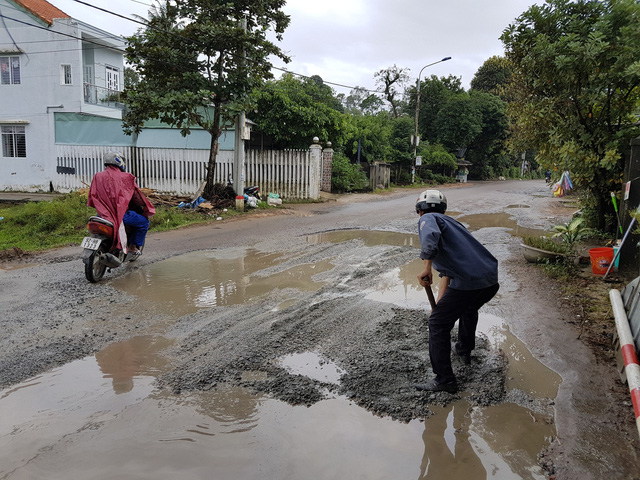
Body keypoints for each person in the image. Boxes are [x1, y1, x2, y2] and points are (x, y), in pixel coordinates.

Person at [414, 189, 499, 393]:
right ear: (444, 209)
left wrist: (426, 268)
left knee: (437, 324)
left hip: (469, 281)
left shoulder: (428, 219)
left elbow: (430, 238)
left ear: (419, 211)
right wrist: (441, 305)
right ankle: (463, 350)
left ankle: (444, 380)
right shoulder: (453, 224)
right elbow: (447, 275)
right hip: (489, 280)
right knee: (468, 308)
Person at [87, 151, 155, 255]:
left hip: (102, 215)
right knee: (144, 222)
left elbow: (92, 195)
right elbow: (137, 196)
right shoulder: (126, 177)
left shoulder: (98, 176)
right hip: (121, 215)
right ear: (120, 162)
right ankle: (132, 247)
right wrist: (145, 204)